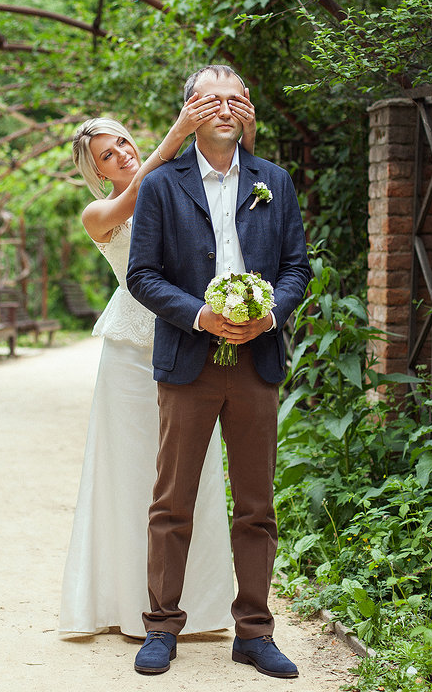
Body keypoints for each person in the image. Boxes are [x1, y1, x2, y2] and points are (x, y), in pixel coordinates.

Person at [126, 65, 311, 678]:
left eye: (237, 98)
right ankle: (160, 628)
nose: (225, 108)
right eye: (211, 99)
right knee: (172, 500)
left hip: (256, 361)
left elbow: (296, 269)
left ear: (249, 111)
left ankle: (255, 633)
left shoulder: (275, 182)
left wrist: (269, 316)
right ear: (190, 111)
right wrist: (202, 315)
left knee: (256, 504)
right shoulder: (160, 186)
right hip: (188, 360)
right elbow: (143, 276)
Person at [59, 91, 258, 638]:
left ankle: (201, 605)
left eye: (122, 140)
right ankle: (131, 607)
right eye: (106, 154)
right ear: (96, 173)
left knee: (190, 478)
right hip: (129, 359)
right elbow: (136, 195)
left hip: (188, 346)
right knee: (132, 478)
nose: (120, 152)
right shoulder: (100, 212)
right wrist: (175, 133)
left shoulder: (176, 185)